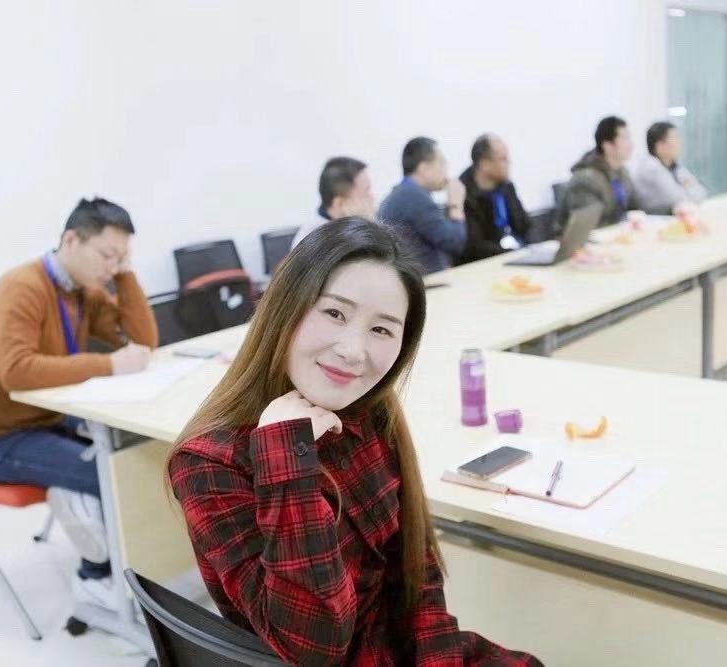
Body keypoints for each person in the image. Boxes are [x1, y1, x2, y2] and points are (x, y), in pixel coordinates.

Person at [168, 218, 542, 666]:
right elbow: (314, 647)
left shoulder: (368, 409)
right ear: (286, 307)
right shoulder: (210, 464)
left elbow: (416, 576)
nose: (352, 351)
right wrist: (286, 456)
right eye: (335, 313)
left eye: (381, 330)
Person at [0, 197, 158, 608]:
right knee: (109, 474)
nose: (112, 266)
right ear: (70, 241)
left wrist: (126, 274)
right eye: (107, 255)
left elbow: (143, 341)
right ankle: (95, 578)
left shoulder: (84, 291)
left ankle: (133, 559)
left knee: (134, 455)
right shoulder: (23, 287)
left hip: (49, 420)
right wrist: (108, 364)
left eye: (121, 257)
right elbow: (17, 370)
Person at [378, 137, 467, 274]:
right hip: (426, 280)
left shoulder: (404, 193)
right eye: (442, 163)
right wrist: (456, 204)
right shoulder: (413, 196)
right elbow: (453, 242)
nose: (446, 170)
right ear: (424, 168)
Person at [457, 134, 531, 264]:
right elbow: (475, 246)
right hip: (487, 262)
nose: (508, 163)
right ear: (485, 164)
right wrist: (512, 253)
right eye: (503, 159)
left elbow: (525, 225)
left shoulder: (507, 186)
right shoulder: (464, 194)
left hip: (517, 254)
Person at [560, 116, 644, 228]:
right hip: (589, 237)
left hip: (617, 233)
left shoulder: (622, 172)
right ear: (608, 145)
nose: (631, 144)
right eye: (625, 138)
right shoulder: (585, 179)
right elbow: (589, 225)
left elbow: (635, 207)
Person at [291, 156, 376, 249]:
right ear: (340, 203)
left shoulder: (343, 229)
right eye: (366, 191)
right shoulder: (318, 244)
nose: (372, 197)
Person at [633, 121, 708, 214]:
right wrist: (688, 187)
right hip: (654, 219)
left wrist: (688, 190)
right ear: (660, 146)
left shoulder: (674, 166)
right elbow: (678, 199)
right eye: (675, 140)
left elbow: (702, 193)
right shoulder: (650, 167)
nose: (679, 144)